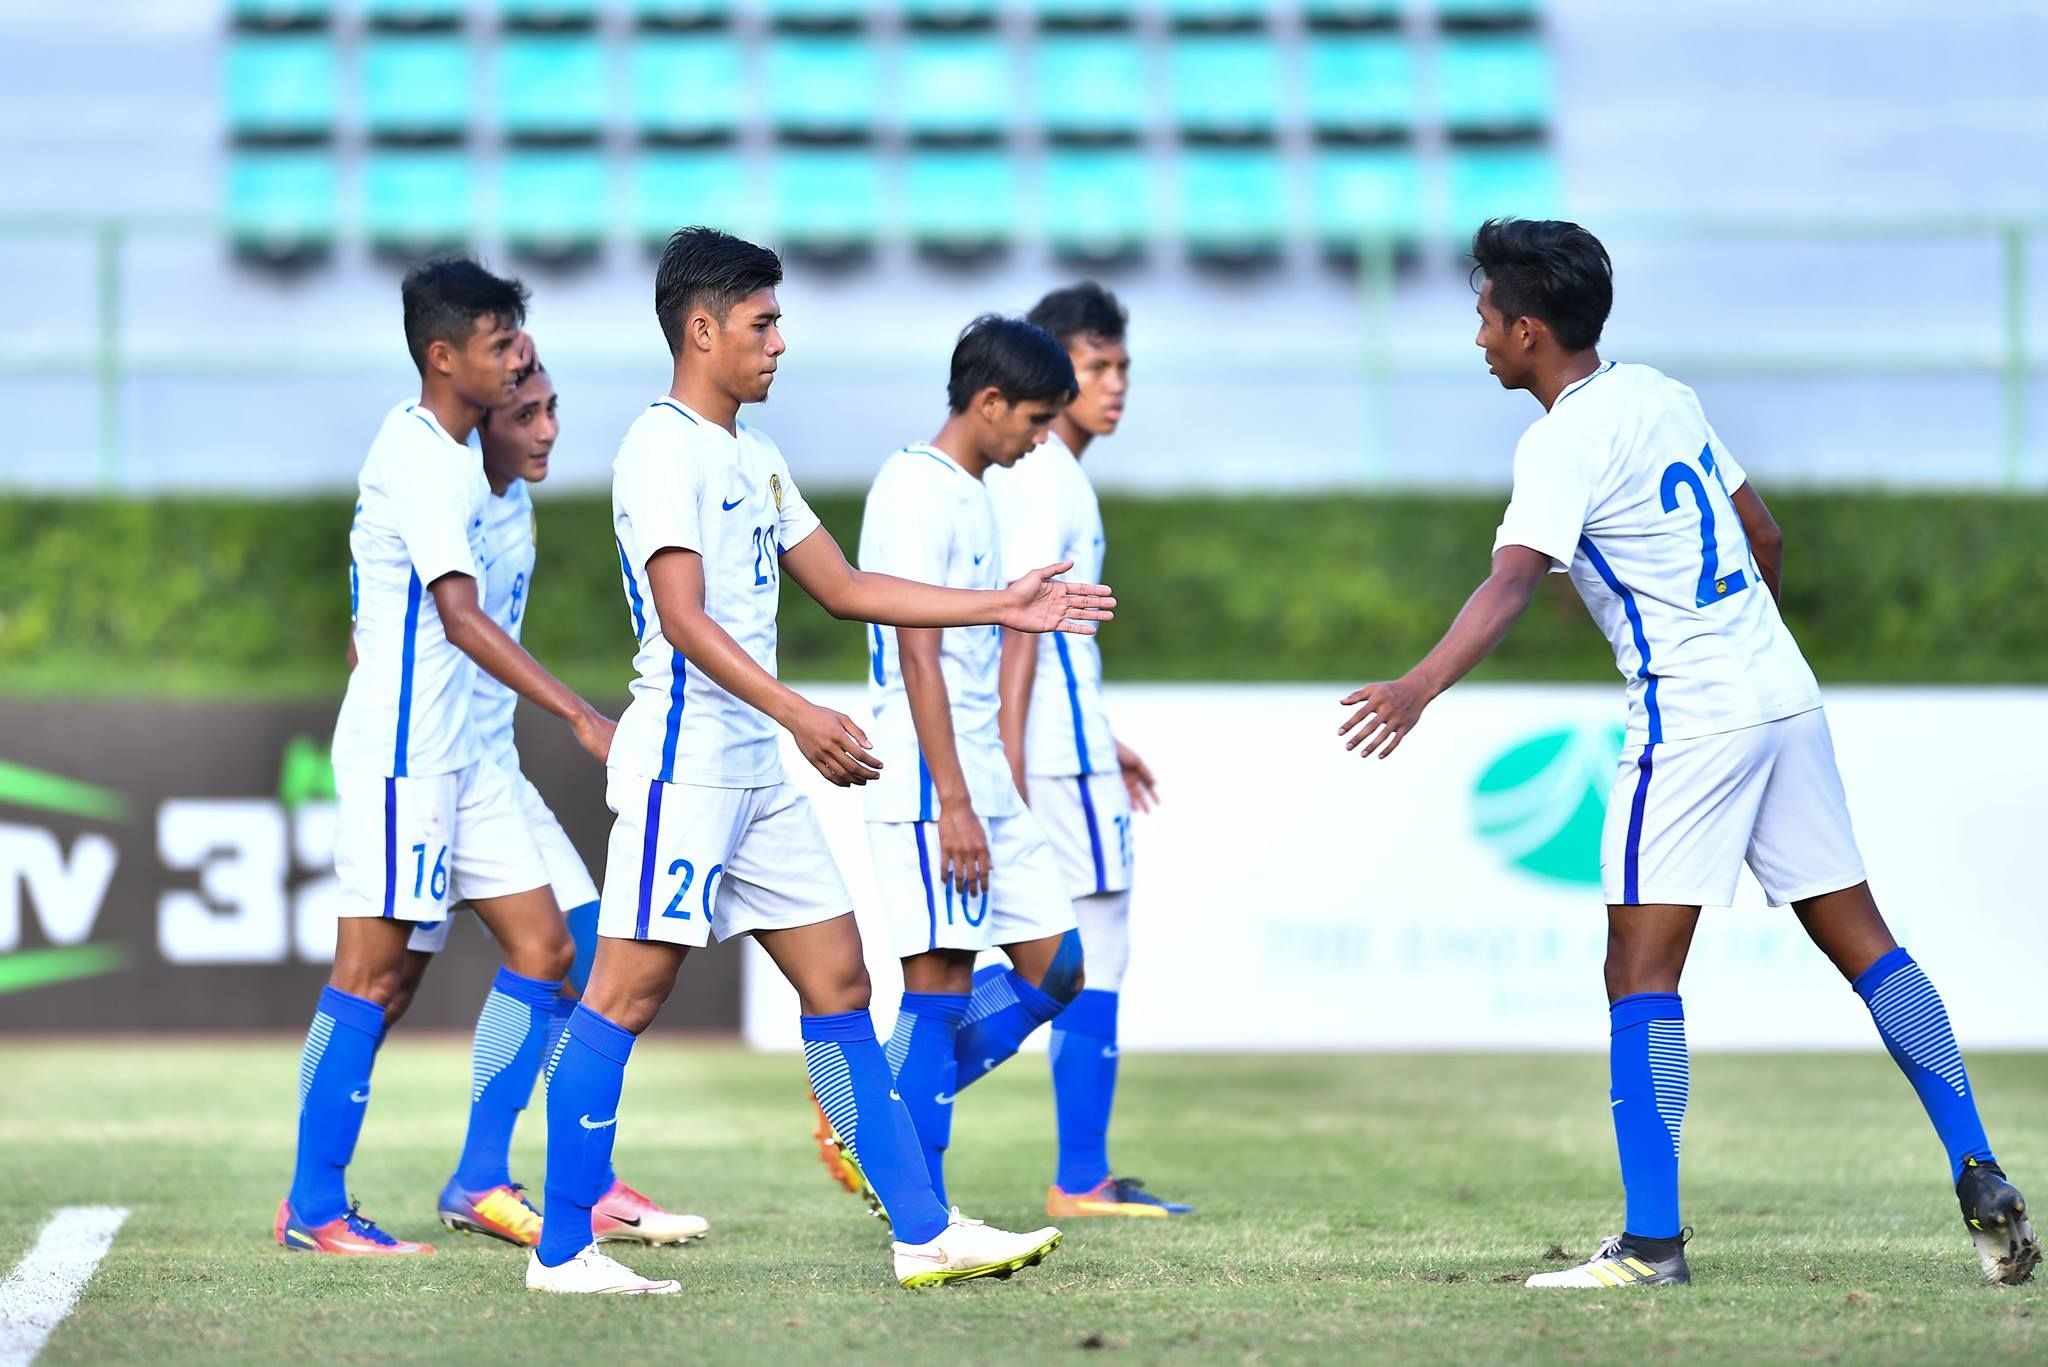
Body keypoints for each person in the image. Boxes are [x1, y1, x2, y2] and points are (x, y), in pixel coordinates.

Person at [1336, 217, 2039, 1289]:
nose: (1476, 336)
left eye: (1484, 317)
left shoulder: (1557, 440)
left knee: (1636, 968)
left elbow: (1512, 581)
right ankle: (1975, 1161)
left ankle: (1652, 1243)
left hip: (1693, 717)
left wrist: (1414, 686)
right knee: (1864, 943)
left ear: (1528, 329)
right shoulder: (1662, 395)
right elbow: (1760, 536)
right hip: (1780, 694)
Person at [526, 228, 1115, 1296]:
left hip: (756, 768)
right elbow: (682, 618)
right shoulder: (662, 448)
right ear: (701, 329)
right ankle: (563, 1250)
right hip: (686, 766)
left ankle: (921, 1228)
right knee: (623, 994)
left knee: (840, 982)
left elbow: (843, 586)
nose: (779, 342)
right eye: (762, 323)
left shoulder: (754, 455)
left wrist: (1003, 602)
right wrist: (799, 711)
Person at [278, 259, 615, 1256]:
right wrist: (578, 714)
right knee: (372, 976)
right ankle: (314, 1206)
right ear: (444, 355)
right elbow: (459, 615)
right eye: (501, 343)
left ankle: (478, 1173)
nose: (518, 361)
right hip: (402, 756)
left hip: (457, 760)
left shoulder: (466, 465)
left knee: (549, 947)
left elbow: (375, 618)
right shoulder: (420, 454)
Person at [376, 347, 705, 1252]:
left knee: (586, 947)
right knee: (388, 984)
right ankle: (348, 1191)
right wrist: (577, 714)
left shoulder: (513, 506)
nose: (549, 428)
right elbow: (398, 619)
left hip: (490, 768)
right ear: (476, 413)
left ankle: (558, 1181)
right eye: (528, 414)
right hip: (428, 768)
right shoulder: (431, 483)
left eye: (553, 408)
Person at [834, 314, 1088, 1211]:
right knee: (937, 984)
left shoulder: (973, 488)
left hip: (975, 769)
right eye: (1032, 420)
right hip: (928, 776)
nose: (1039, 439)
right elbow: (914, 654)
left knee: (1058, 968)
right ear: (988, 401)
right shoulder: (914, 487)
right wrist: (953, 797)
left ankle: (874, 1121)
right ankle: (921, 1203)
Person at [983, 282, 1191, 1219]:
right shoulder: (1049, 473)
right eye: (1094, 366)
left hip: (1071, 741)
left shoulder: (1045, 470)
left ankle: (891, 1094)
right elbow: (1023, 626)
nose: (1113, 384)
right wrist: (1017, 762)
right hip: (1053, 754)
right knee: (1086, 950)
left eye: (1120, 366)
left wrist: (1103, 734)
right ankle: (1076, 1174)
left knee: (1067, 952)